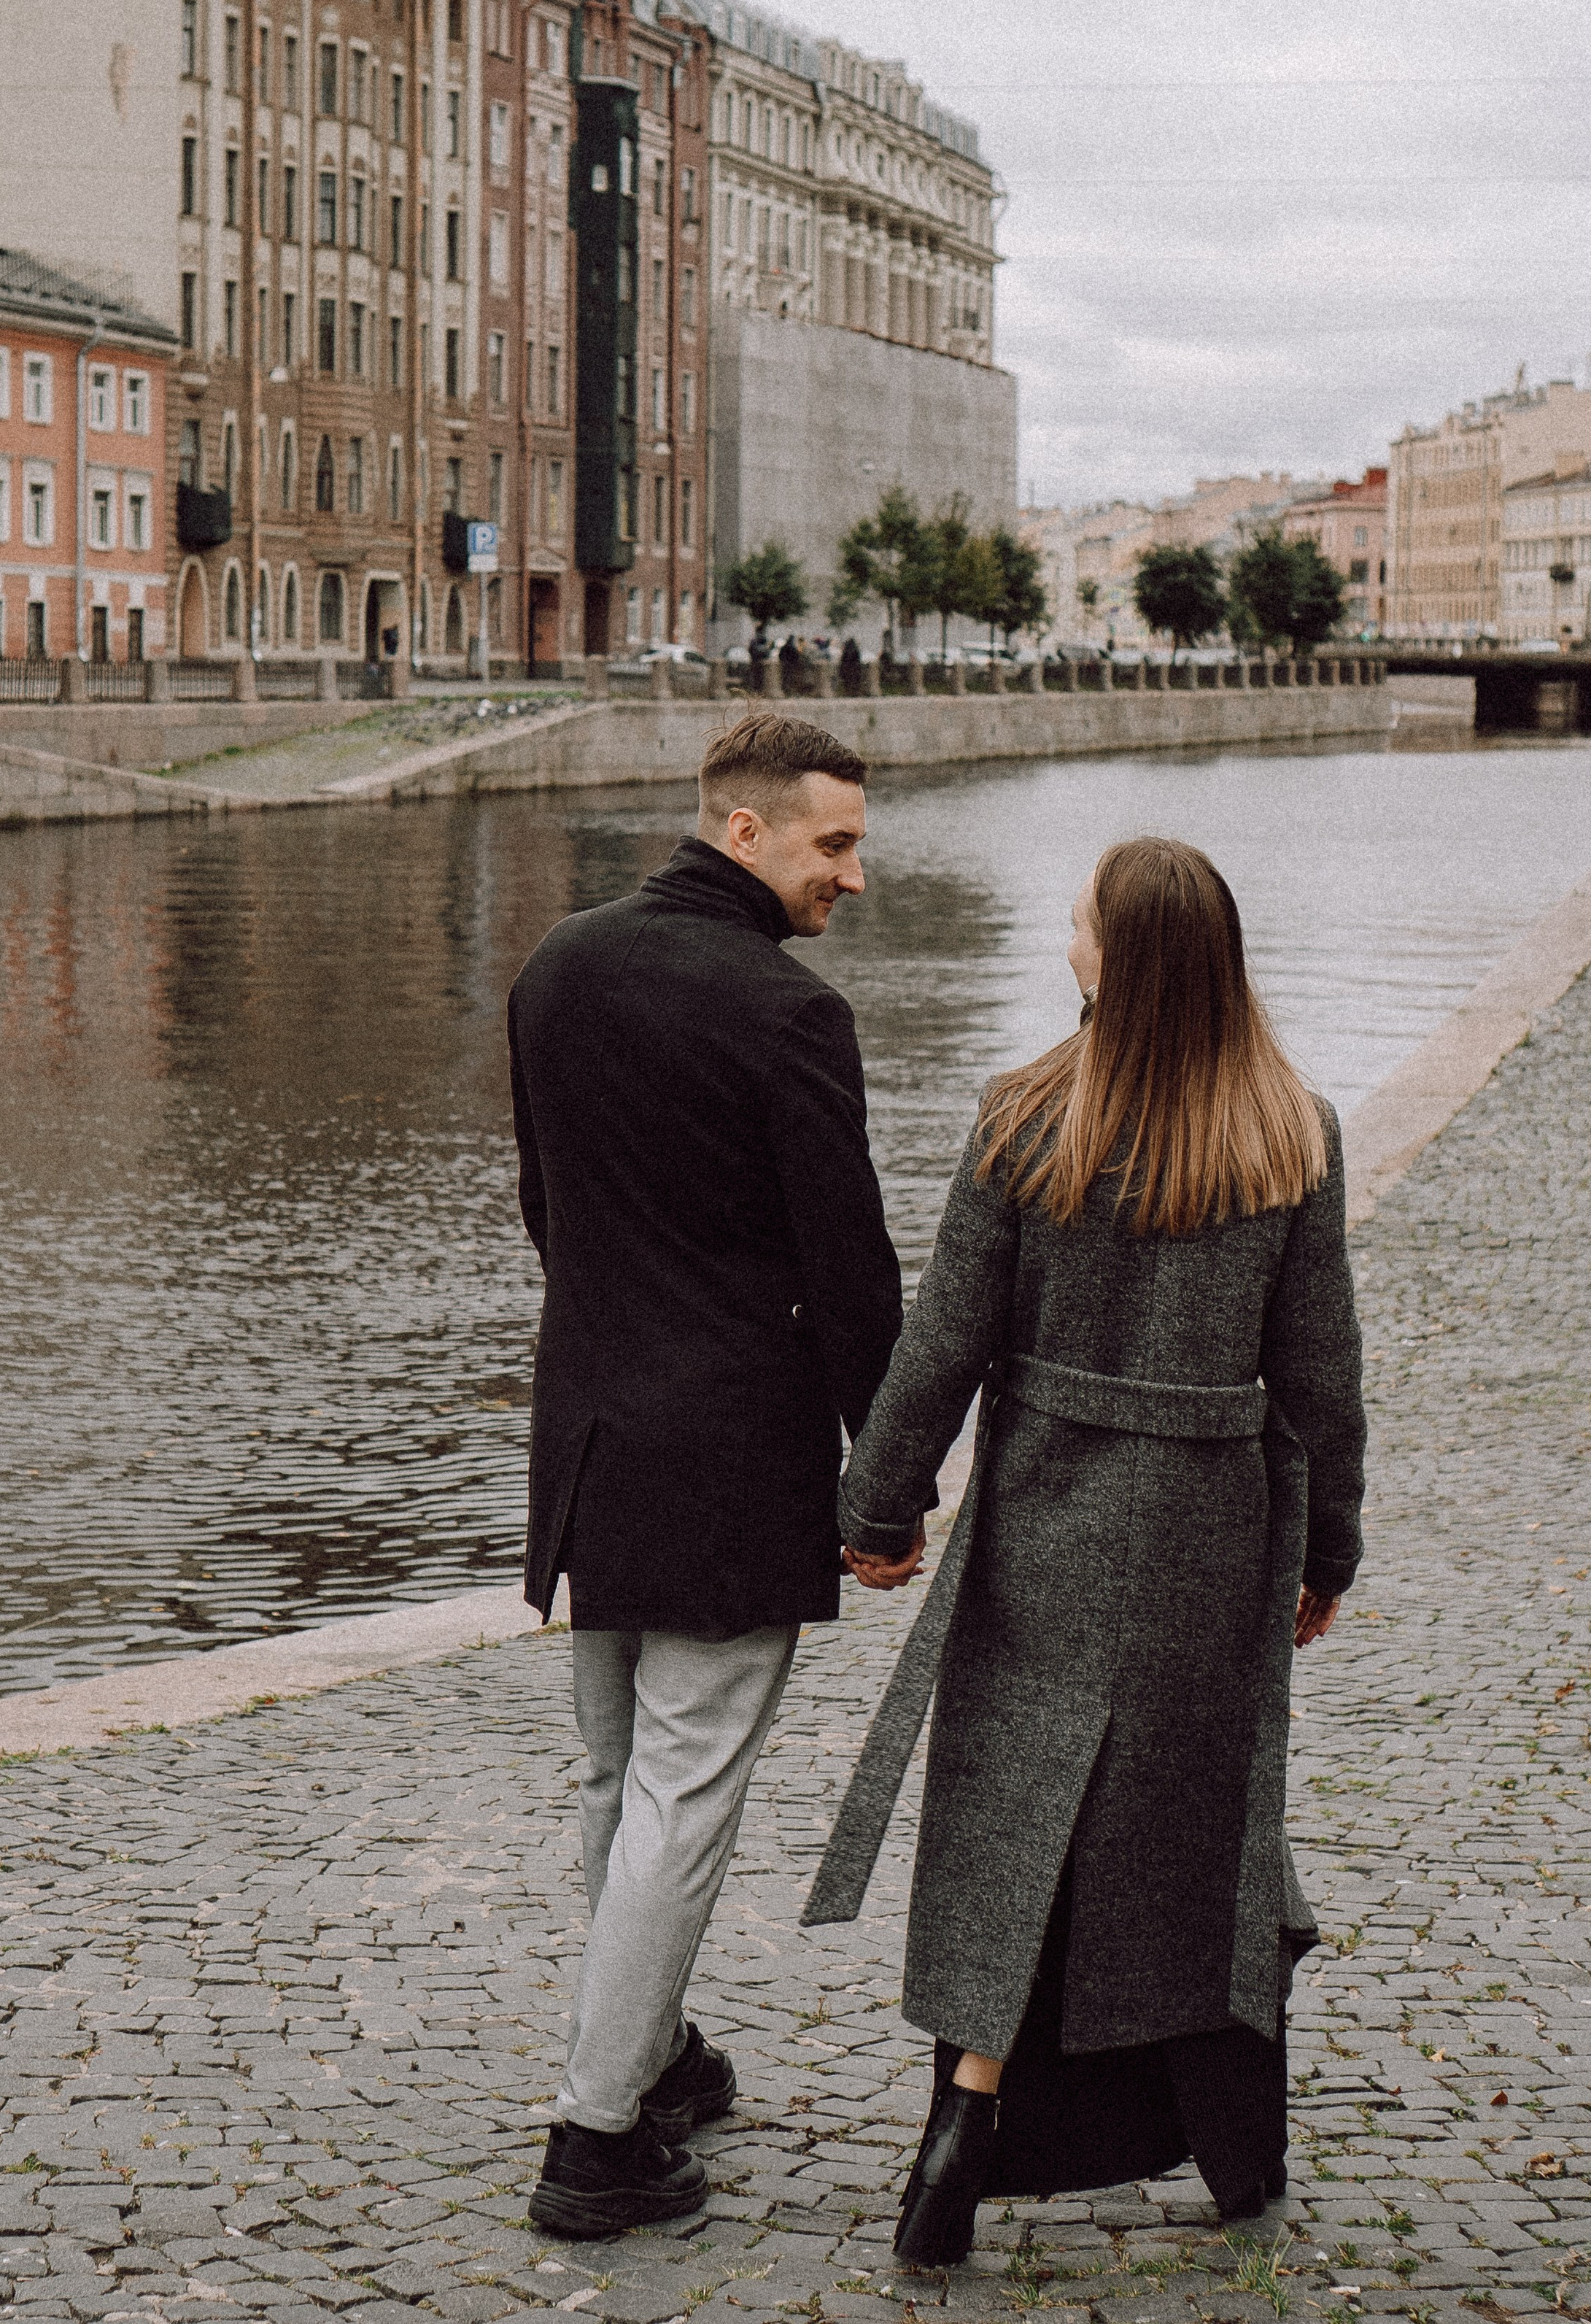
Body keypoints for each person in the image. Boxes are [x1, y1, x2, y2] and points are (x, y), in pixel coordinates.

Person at [805, 836, 1367, 2266]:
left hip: (1045, 1525)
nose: (1064, 941)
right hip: (1203, 1537)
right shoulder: (1288, 1129)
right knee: (1194, 1835)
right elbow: (1321, 1379)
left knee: (1015, 1828)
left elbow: (940, 1346)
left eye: (1077, 925)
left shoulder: (1020, 1119)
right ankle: (1234, 2146)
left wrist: (876, 1511)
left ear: (1117, 960)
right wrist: (1328, 1553)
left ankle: (964, 2122)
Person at [510, 711, 907, 2241]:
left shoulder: (556, 964)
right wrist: (884, 1483)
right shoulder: (782, 1014)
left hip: (590, 1442)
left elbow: (548, 1212)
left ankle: (653, 2055)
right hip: (728, 1457)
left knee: (621, 1782)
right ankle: (595, 2141)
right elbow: (850, 1274)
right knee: (680, 1796)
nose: (850, 878)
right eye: (833, 844)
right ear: (741, 832)